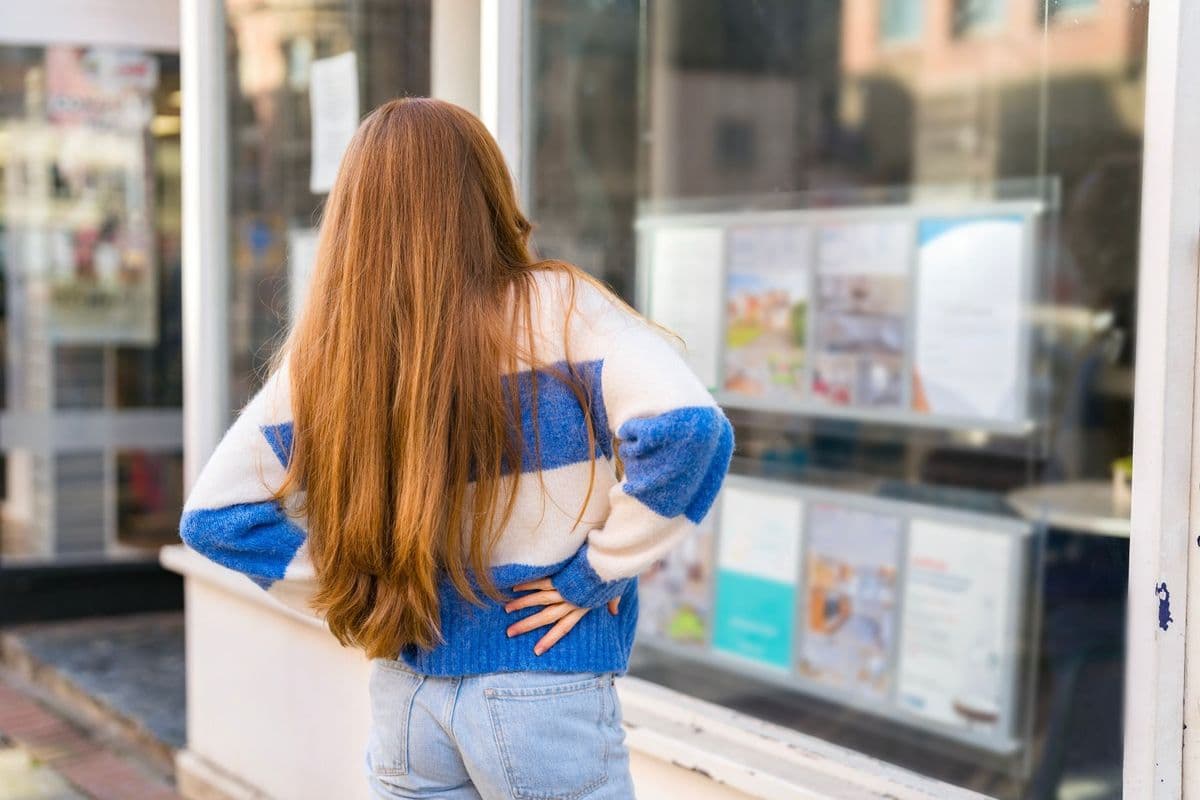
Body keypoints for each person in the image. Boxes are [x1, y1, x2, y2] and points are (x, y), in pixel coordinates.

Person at [179, 97, 734, 799]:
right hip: (540, 684)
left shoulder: (335, 352)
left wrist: (366, 591)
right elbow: (689, 429)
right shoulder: (560, 308)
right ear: (488, 192)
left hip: (405, 693)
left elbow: (215, 516)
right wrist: (594, 574)